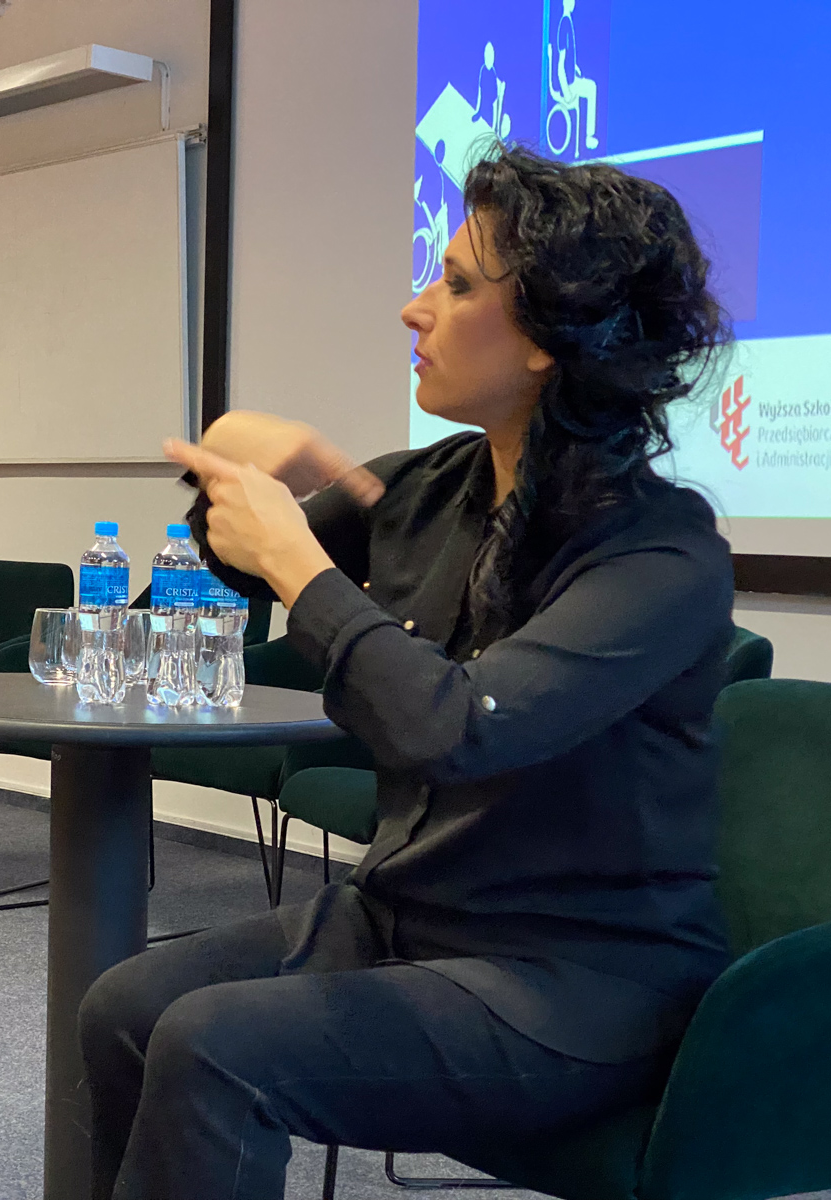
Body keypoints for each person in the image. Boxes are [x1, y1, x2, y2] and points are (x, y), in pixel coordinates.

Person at [78, 146, 736, 1200]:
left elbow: (457, 729)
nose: (413, 308)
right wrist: (229, 474)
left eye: (458, 285)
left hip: (578, 984)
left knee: (216, 1047)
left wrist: (297, 559)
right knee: (126, 1006)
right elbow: (231, 571)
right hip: (404, 925)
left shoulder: (661, 555)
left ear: (548, 339)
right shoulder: (424, 490)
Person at [551, 0, 599, 151]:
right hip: (567, 84)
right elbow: (560, 65)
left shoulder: (568, 22)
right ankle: (589, 137)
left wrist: (575, 69)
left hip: (572, 77)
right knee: (591, 88)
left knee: (591, 85)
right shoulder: (564, 25)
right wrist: (566, 92)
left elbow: (568, 60)